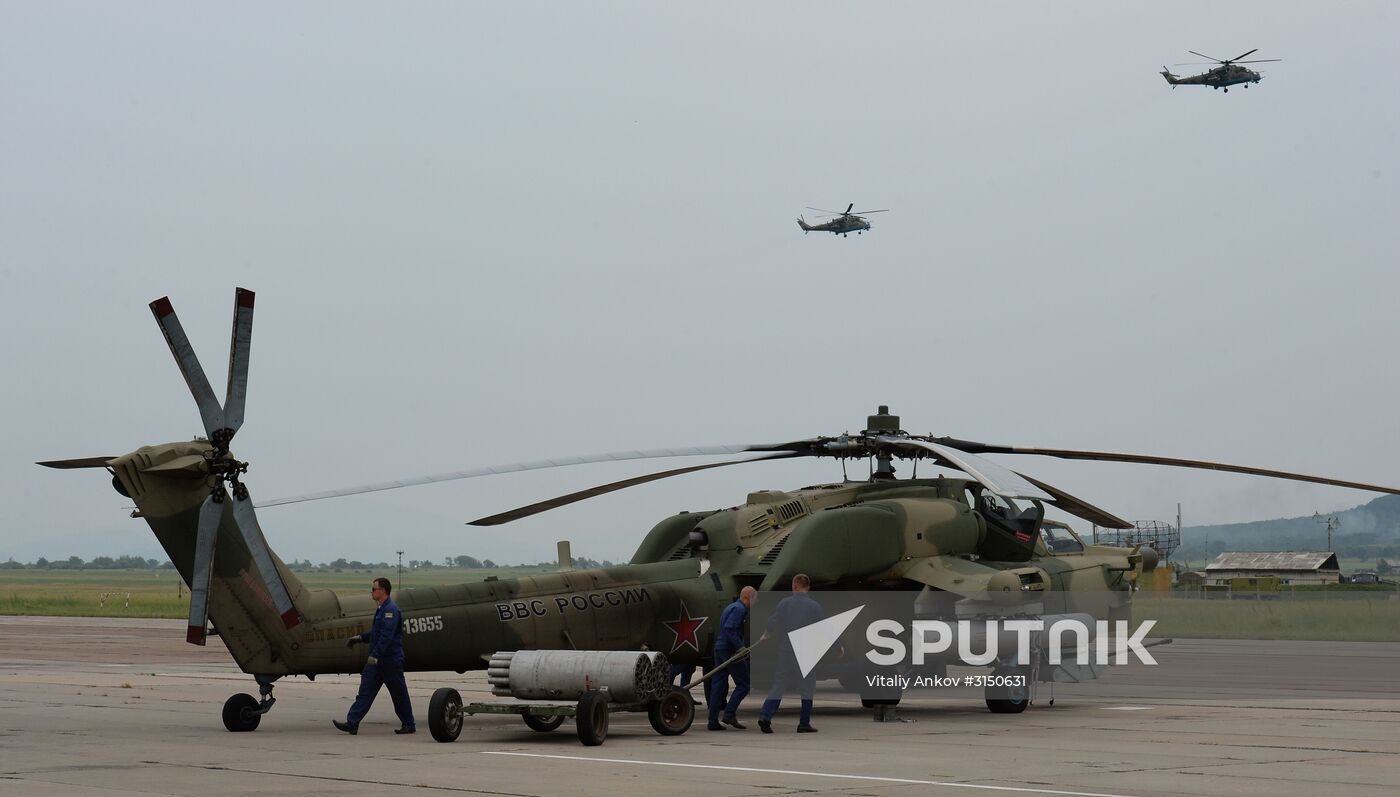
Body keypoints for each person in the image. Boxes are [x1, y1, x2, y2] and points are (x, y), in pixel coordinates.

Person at [334, 577, 416, 735]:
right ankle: (352, 723)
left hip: (390, 661)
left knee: (399, 694)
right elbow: (377, 633)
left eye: (373, 589)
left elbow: (386, 636)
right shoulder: (381, 609)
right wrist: (360, 638)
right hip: (376, 662)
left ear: (383, 591)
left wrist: (375, 655)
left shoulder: (391, 610)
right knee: (365, 693)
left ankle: (408, 724)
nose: (371, 592)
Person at [757, 574, 826, 734]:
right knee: (807, 688)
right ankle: (804, 723)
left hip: (786, 651)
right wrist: (838, 646)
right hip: (805, 652)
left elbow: (772, 621)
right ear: (807, 587)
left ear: (794, 586)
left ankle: (765, 716)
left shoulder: (784, 603)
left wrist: (767, 633)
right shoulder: (814, 606)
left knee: (779, 685)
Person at [707, 586, 755, 730]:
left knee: (718, 685)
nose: (755, 602)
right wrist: (740, 647)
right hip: (730, 650)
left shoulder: (730, 607)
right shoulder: (740, 609)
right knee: (744, 684)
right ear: (748, 597)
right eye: (755, 599)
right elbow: (730, 628)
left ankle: (712, 721)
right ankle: (729, 714)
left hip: (720, 648)